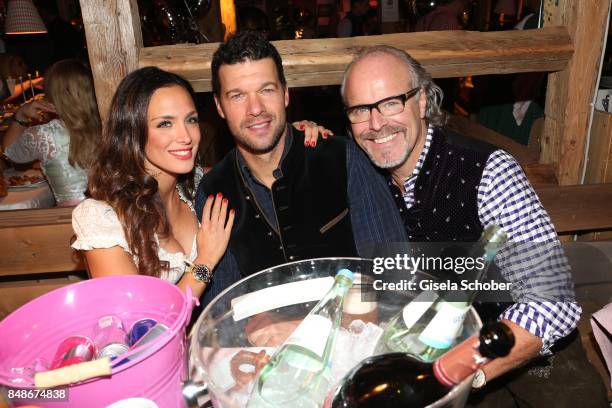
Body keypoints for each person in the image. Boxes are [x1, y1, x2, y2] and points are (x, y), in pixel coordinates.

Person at [339, 45, 608, 406]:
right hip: (434, 351)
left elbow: (552, 303)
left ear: (420, 101)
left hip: (533, 356)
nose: (375, 124)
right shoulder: (364, 176)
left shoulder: (487, 171)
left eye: (390, 103)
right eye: (360, 109)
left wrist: (463, 373)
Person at [194, 31, 407, 308]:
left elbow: (393, 275)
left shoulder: (341, 158)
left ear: (285, 94)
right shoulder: (214, 192)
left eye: (266, 90)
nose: (255, 108)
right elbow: (224, 308)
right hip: (263, 348)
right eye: (237, 96)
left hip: (357, 339)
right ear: (219, 107)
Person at [71, 67, 234, 298]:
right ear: (132, 132)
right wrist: (205, 261)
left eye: (191, 119)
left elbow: (243, 167)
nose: (186, 136)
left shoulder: (194, 185)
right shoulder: (102, 219)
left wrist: (295, 138)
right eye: (165, 124)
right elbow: (142, 325)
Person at [2, 59, 98, 206]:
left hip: (70, 220)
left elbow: (9, 151)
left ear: (51, 94)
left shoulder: (45, 134)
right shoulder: (109, 124)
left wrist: (20, 115)